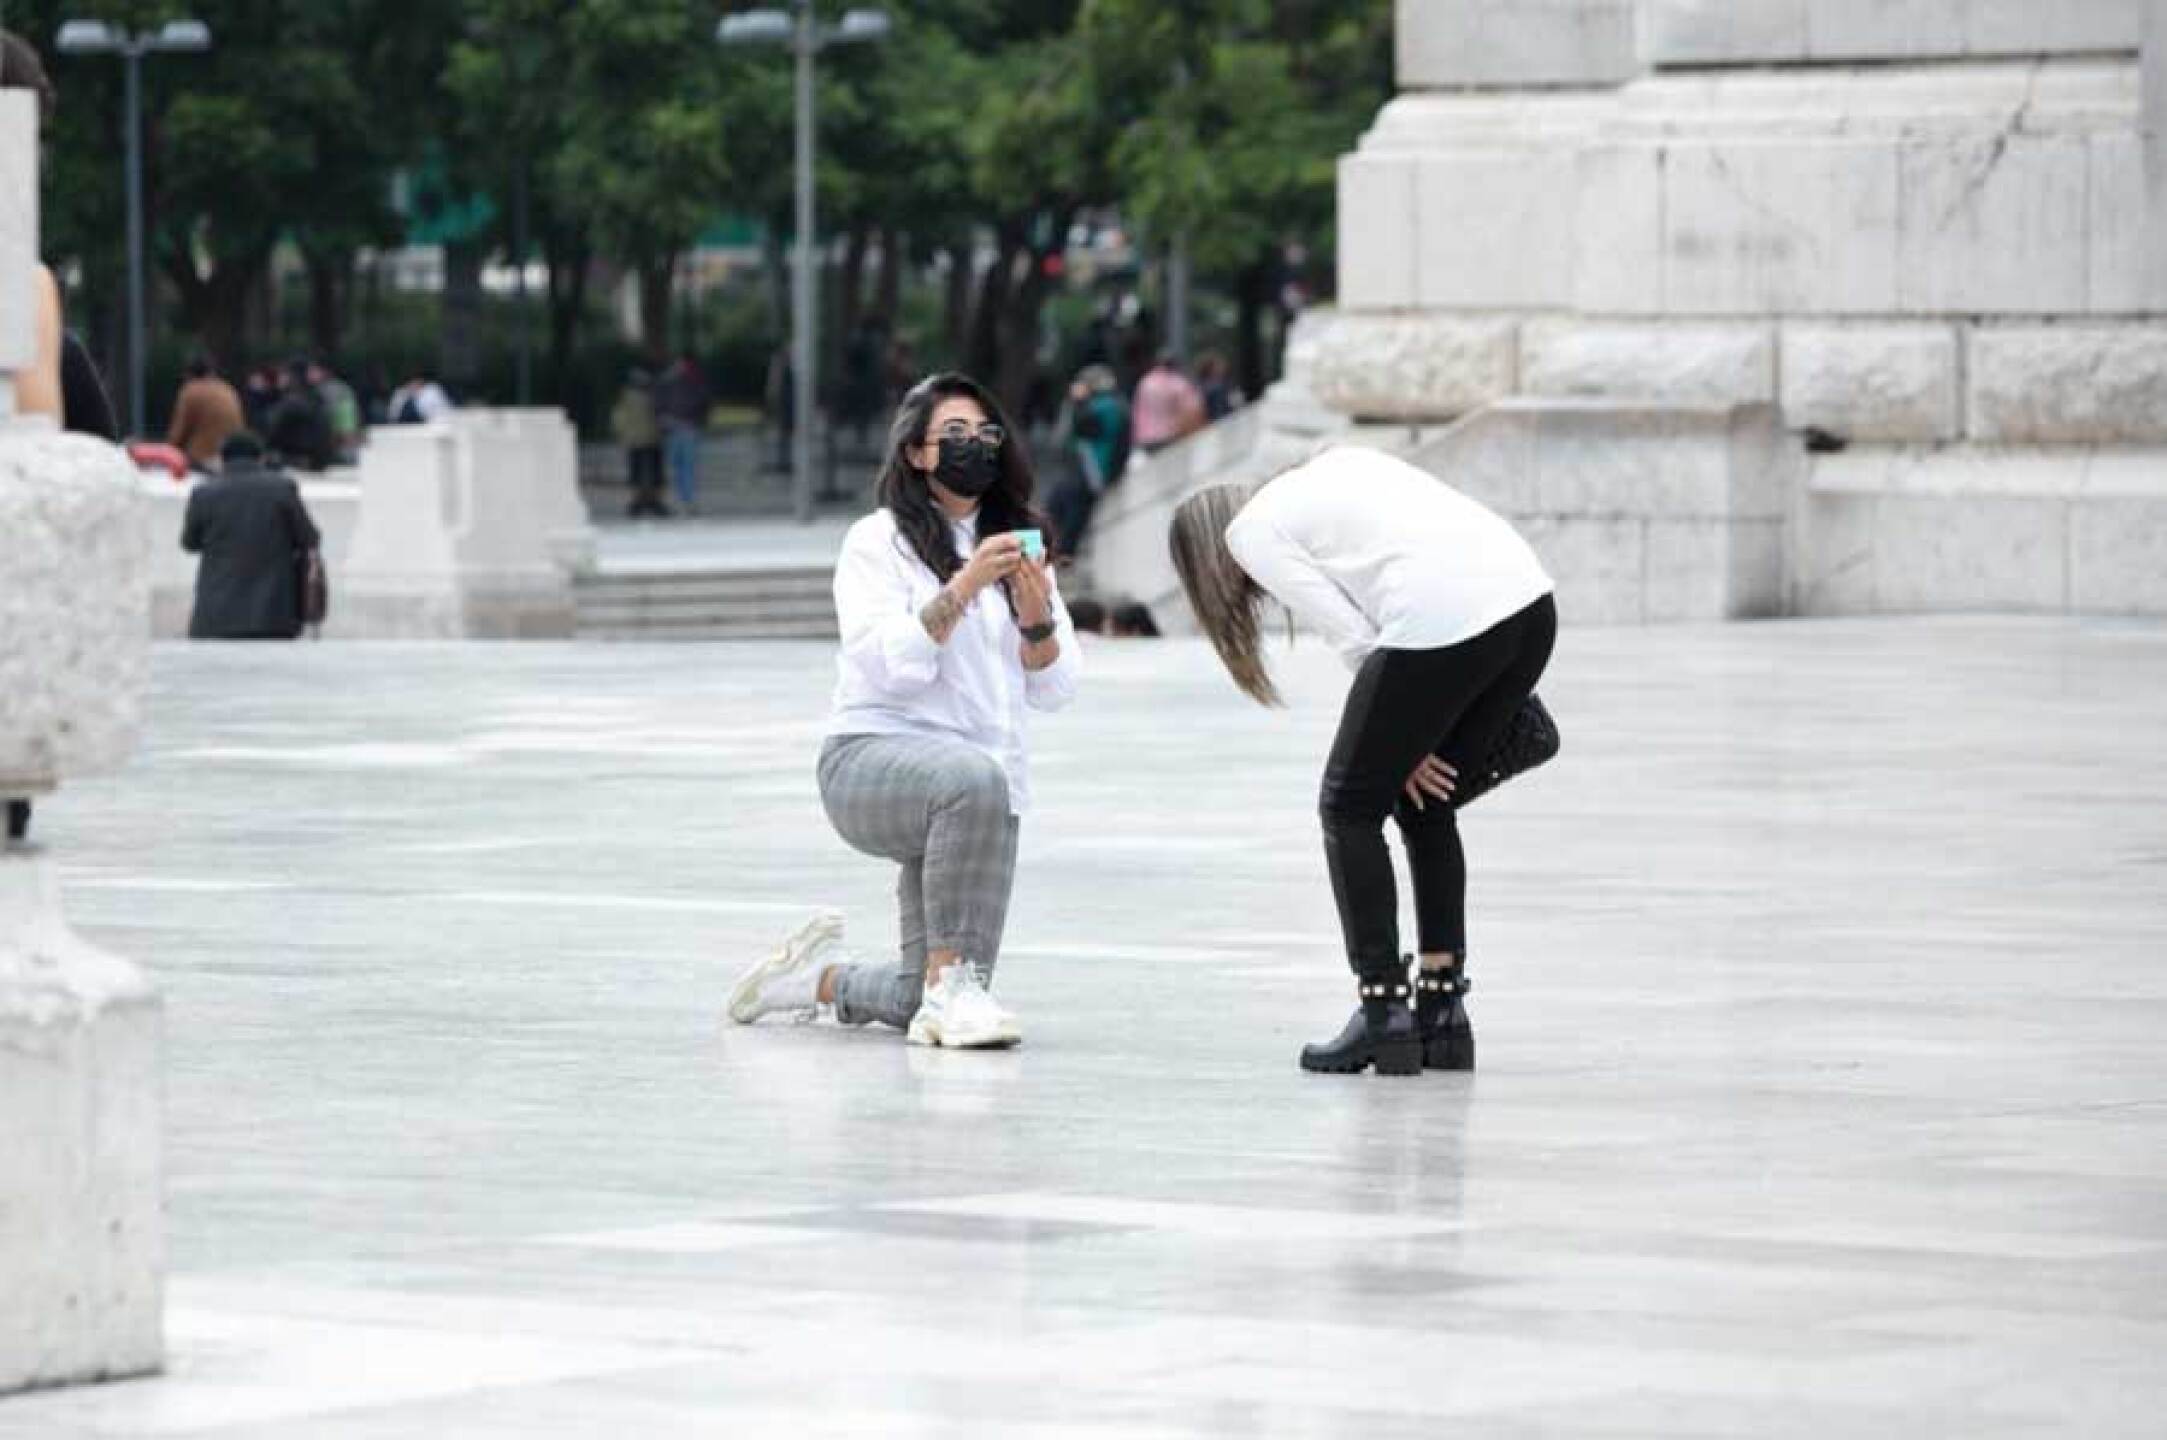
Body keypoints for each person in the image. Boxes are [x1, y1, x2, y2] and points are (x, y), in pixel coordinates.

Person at [1169, 445, 1557, 1077]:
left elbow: (1351, 633)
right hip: (1531, 605)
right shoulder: (1338, 465)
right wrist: (1407, 737)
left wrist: (1401, 737)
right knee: (1426, 804)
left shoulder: (1249, 534)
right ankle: (1443, 1013)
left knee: (1347, 807)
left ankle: (1383, 1014)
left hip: (1444, 621)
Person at [726, 373, 1081, 1049]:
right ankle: (954, 995)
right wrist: (965, 585)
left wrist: (1036, 621)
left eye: (985, 435)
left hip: (981, 790)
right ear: (916, 452)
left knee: (912, 995)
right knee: (974, 783)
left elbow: (1055, 689)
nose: (972, 446)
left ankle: (815, 982)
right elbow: (887, 665)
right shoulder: (876, 541)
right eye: (953, 435)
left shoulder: (1021, 542)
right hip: (869, 760)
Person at [181, 431, 322, 641]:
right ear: (261, 458)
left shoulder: (204, 493)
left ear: (222, 458)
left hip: (216, 616)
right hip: (273, 616)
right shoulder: (282, 488)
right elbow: (310, 538)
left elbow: (189, 543)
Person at [1046, 364, 1130, 558]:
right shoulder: (1114, 404)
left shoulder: (1106, 406)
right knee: (1056, 509)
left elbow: (1081, 426)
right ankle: (1051, 554)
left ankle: (1060, 555)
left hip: (1092, 470)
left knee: (1063, 512)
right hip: (1088, 470)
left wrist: (1077, 402)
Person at [167, 354, 245, 471]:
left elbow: (178, 433)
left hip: (203, 459)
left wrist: (166, 453)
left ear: (188, 374)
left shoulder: (190, 391)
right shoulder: (227, 389)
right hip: (232, 457)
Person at [611, 367, 667, 518]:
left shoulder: (625, 398)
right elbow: (660, 416)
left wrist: (621, 435)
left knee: (637, 471)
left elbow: (618, 418)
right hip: (652, 438)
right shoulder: (652, 396)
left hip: (635, 440)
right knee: (655, 472)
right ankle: (653, 501)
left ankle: (638, 501)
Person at [658, 352, 709, 514]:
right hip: (681, 428)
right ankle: (684, 499)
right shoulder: (684, 381)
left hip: (683, 429)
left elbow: (702, 402)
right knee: (680, 466)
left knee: (683, 466)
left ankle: (685, 499)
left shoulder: (675, 382)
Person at [1130, 351, 1206, 456]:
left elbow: (1137, 411)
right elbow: (1192, 410)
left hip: (1147, 439)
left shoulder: (1144, 383)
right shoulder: (1177, 382)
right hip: (1171, 436)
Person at [265, 359, 336, 471]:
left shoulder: (292, 402)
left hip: (297, 461)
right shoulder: (316, 398)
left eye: (283, 374)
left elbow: (272, 434)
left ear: (292, 376)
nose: (279, 378)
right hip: (318, 461)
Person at [310, 360, 361, 463]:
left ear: (324, 371)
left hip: (340, 446)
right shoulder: (342, 388)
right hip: (346, 445)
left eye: (313, 370)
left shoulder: (330, 391)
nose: (310, 374)